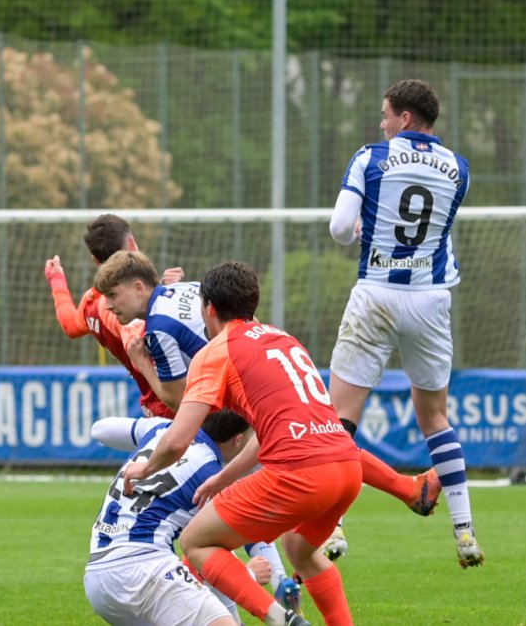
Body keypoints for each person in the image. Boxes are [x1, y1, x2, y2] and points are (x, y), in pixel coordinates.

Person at [123, 261, 362, 626]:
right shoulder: (284, 338)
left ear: (210, 309)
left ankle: (281, 619)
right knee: (300, 549)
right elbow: (268, 432)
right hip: (347, 468)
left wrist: (146, 467)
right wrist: (223, 479)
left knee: (196, 541)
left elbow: (178, 438)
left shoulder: (216, 351)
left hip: (300, 473)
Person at [327, 79, 482, 568]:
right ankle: (464, 532)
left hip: (376, 292)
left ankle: (331, 528)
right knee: (435, 417)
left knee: (338, 420)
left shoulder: (370, 157)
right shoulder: (459, 168)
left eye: (386, 114)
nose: (382, 122)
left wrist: (355, 231)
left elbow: (338, 228)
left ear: (405, 119)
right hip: (430, 299)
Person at [94, 250, 302, 610]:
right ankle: (282, 585)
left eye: (113, 296)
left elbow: (178, 401)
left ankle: (244, 590)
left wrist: (143, 364)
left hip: (227, 416)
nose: (110, 307)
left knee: (213, 526)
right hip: (259, 390)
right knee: (248, 508)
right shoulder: (189, 289)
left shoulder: (157, 328)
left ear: (139, 287)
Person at [86, 409, 277, 626]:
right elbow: (228, 544)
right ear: (238, 440)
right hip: (144, 570)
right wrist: (250, 575)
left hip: (97, 576)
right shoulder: (211, 478)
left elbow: (101, 429)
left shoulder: (159, 429)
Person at [44, 213, 180, 419]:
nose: (111, 305)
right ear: (132, 244)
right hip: (176, 404)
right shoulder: (123, 307)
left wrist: (57, 281)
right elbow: (140, 338)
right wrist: (173, 296)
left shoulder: (91, 302)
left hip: (156, 409)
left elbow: (70, 325)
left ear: (95, 260)